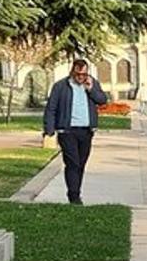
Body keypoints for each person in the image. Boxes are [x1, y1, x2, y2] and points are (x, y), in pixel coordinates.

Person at [43, 59, 108, 205]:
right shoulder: (60, 86)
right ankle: (74, 196)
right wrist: (49, 129)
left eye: (84, 74)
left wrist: (91, 89)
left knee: (81, 163)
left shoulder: (92, 84)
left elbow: (103, 101)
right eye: (78, 74)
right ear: (72, 72)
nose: (81, 77)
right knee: (72, 163)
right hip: (67, 131)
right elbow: (51, 108)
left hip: (86, 131)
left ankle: (76, 192)